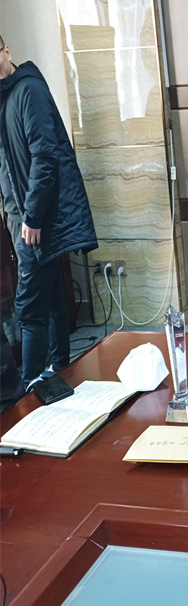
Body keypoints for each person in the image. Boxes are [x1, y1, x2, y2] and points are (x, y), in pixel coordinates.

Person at [0, 35, 97, 390]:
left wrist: (32, 216)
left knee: (29, 307)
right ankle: (59, 372)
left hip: (32, 220)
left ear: (7, 51)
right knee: (54, 297)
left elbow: (45, 157)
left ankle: (30, 389)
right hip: (18, 217)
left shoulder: (29, 90)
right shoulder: (5, 97)